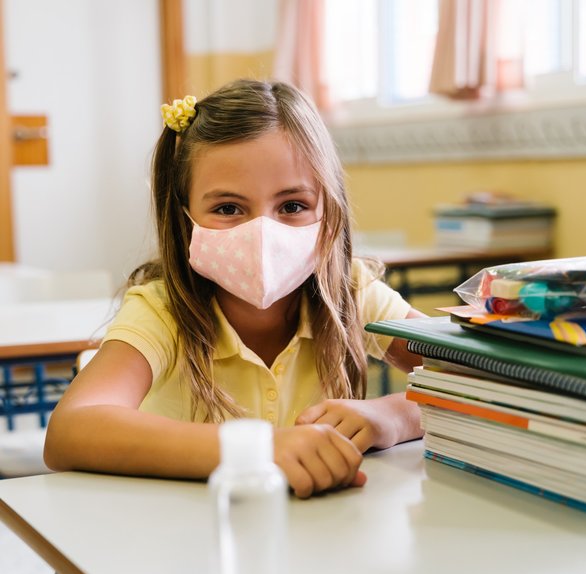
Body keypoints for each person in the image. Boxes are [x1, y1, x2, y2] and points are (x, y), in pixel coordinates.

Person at [44, 79, 426, 499]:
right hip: (180, 541)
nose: (263, 233)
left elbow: (480, 374)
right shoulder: (161, 310)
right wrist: (255, 451)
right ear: (184, 214)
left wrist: (394, 416)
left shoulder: (350, 291)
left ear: (327, 206)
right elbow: (69, 430)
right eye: (228, 208)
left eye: (292, 206)